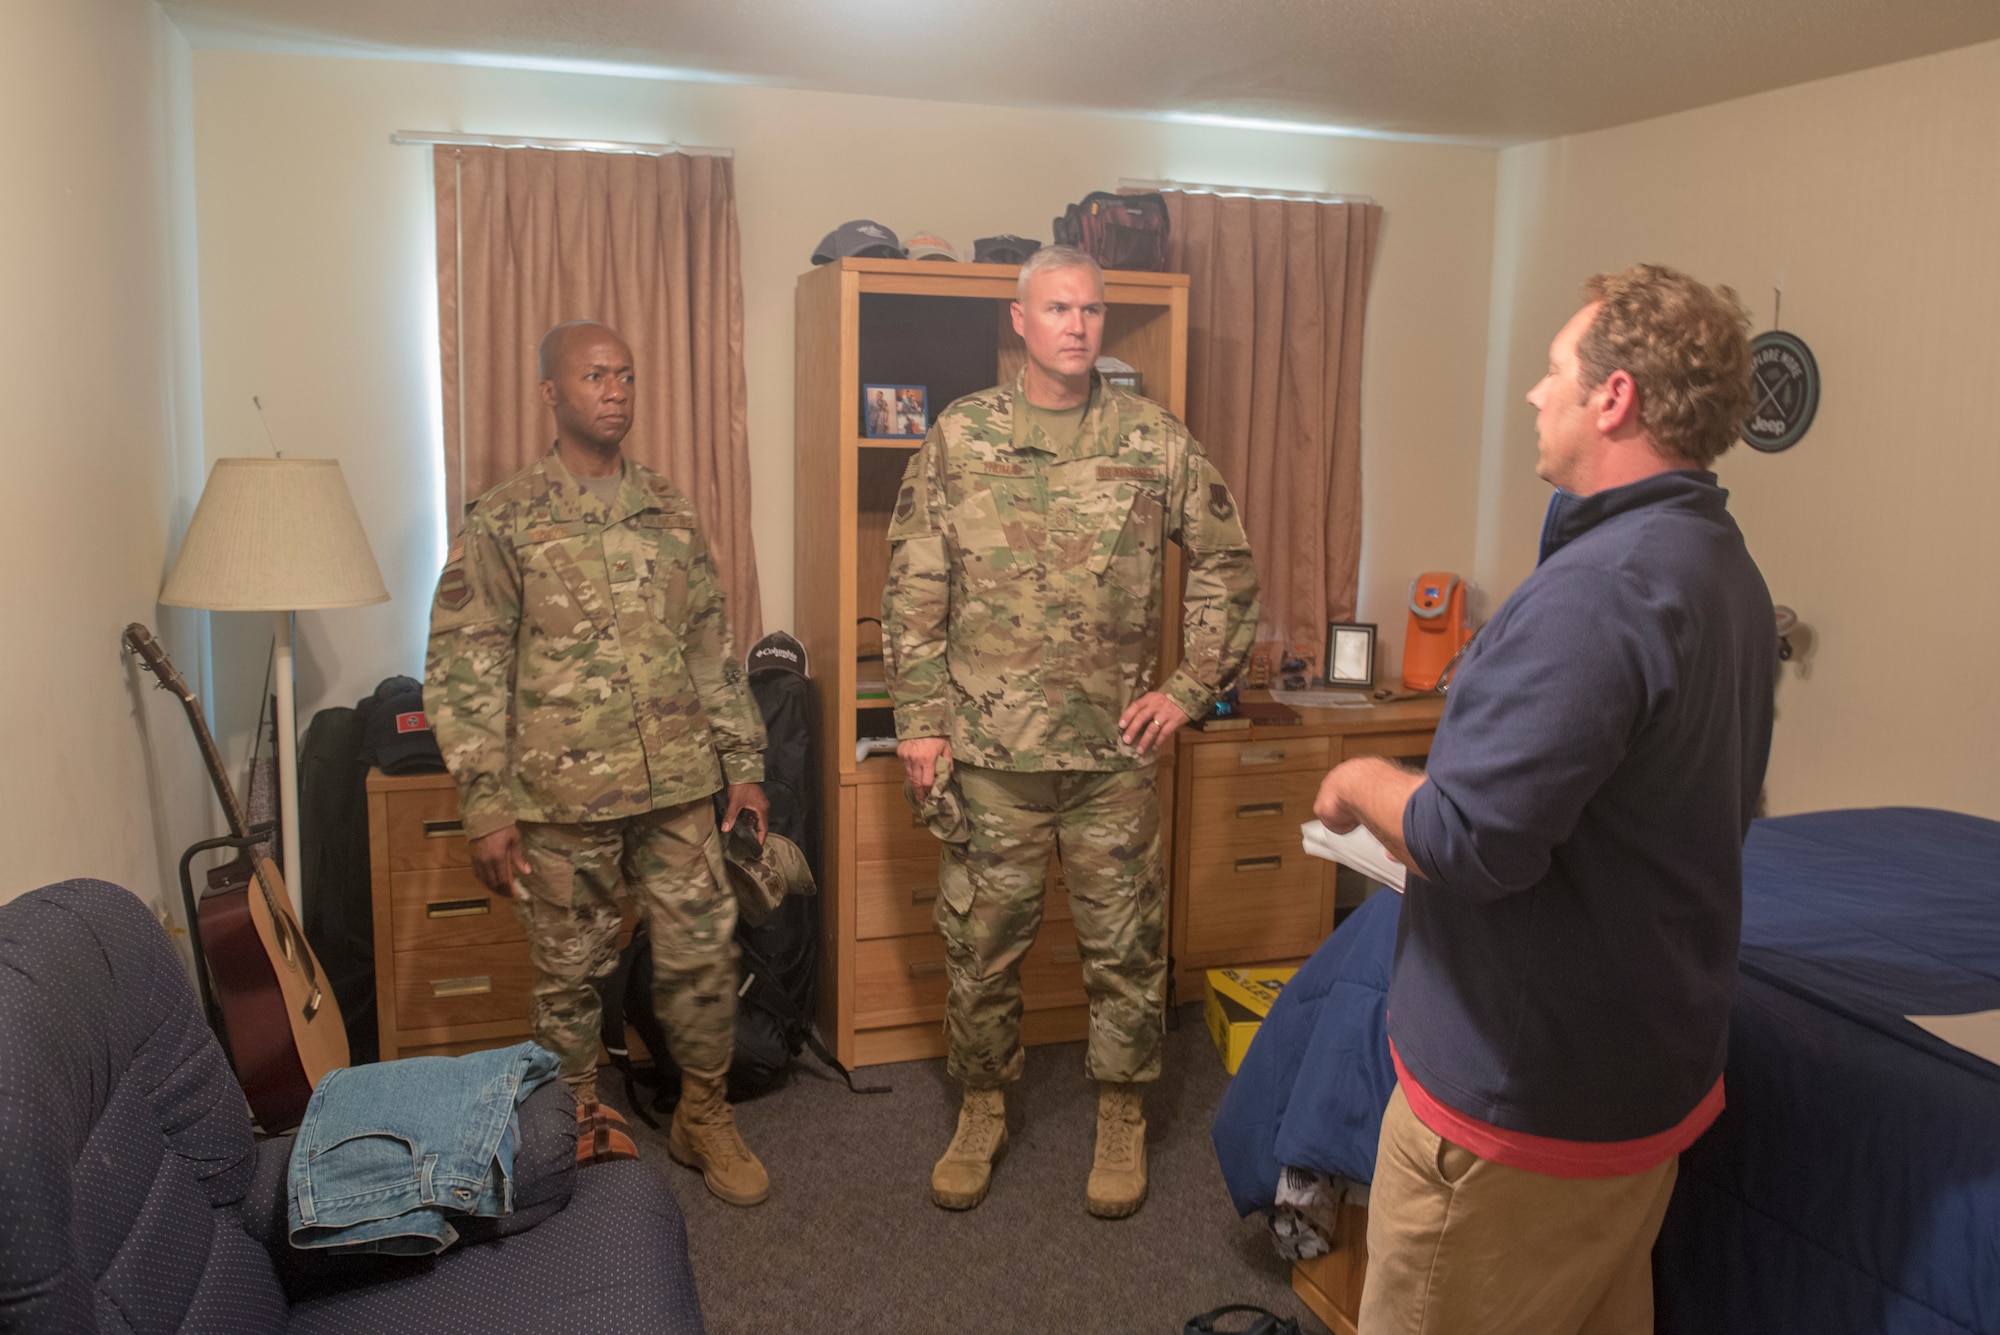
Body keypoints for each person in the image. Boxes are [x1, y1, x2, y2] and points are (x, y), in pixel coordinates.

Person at [1313, 264, 1772, 1334]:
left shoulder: (1599, 591)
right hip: (1640, 1085)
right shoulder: (1717, 564)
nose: (1531, 392)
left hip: (1517, 1116)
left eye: (1552, 368)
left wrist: (1362, 780)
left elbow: (1467, 844)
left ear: (1611, 399)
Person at [882, 245, 1259, 1217]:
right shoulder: (961, 438)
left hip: (1111, 760)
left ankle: (1121, 1114)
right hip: (989, 758)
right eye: (1056, 308)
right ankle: (979, 1106)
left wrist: (1187, 685)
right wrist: (917, 721)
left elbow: (1225, 562)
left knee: (1123, 949)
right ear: (1020, 320)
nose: (1076, 325)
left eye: (1090, 309)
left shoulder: (1150, 440)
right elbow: (914, 584)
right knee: (980, 948)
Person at [425, 320, 774, 1206]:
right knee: (570, 977)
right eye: (593, 376)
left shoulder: (668, 508)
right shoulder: (504, 519)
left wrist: (744, 760)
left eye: (625, 374)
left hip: (680, 787)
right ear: (551, 394)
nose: (614, 390)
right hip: (559, 798)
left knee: (701, 958)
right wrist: (486, 804)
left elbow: (709, 645)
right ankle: (574, 1121)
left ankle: (703, 1113)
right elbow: (465, 668)